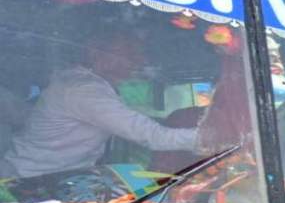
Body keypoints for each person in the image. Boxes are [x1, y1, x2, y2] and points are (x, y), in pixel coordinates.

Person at [2, 33, 199, 180]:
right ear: (97, 54)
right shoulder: (84, 89)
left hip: (53, 179)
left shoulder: (86, 84)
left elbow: (136, 122)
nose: (139, 61)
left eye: (138, 53)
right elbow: (153, 136)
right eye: (129, 53)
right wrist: (217, 137)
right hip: (24, 183)